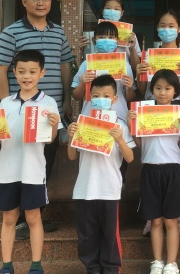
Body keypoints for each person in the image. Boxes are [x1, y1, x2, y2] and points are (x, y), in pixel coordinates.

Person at [0, 49, 60, 274]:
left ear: (42, 73)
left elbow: (50, 139)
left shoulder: (48, 103)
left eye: (32, 71)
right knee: (9, 218)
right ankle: (6, 265)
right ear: (14, 73)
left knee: (33, 218)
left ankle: (36, 266)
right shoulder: (6, 103)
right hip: (7, 171)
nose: (27, 76)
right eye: (22, 71)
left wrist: (54, 125)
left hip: (33, 172)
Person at [0, 0, 73, 239]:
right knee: (17, 164)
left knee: (43, 165)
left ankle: (33, 215)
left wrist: (67, 99)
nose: (41, 3)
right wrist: (7, 106)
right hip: (19, 113)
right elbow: (0, 70)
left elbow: (65, 66)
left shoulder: (58, 32)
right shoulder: (11, 33)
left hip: (48, 113)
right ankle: (17, 220)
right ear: (24, 2)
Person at [67, 74, 136, 274]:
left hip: (109, 189)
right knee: (87, 234)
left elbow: (130, 158)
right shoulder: (83, 123)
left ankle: (111, 268)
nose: (100, 99)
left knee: (109, 233)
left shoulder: (120, 125)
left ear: (114, 99)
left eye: (106, 96)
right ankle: (92, 268)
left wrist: (120, 140)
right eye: (96, 96)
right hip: (85, 189)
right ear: (89, 97)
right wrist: (71, 137)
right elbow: (72, 156)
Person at [128, 69, 180, 274]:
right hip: (150, 169)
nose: (162, 92)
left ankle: (171, 263)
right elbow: (140, 145)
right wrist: (132, 124)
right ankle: (157, 261)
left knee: (171, 221)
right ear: (152, 90)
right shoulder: (143, 113)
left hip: (173, 170)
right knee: (155, 220)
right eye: (158, 88)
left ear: (175, 92)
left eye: (167, 88)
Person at [136, 9, 180, 115]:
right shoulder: (148, 56)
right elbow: (143, 91)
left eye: (171, 26)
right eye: (163, 26)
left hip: (177, 105)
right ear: (157, 28)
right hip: (152, 105)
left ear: (179, 29)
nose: (166, 30)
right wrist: (139, 75)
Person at [71, 21, 136, 118]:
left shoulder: (124, 65)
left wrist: (129, 88)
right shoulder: (87, 64)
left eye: (111, 37)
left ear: (117, 40)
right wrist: (82, 83)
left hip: (118, 116)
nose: (106, 40)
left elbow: (131, 98)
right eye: (101, 37)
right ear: (94, 40)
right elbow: (76, 96)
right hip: (90, 117)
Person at [78, 0, 142, 73]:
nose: (112, 11)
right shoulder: (92, 35)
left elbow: (136, 67)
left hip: (121, 75)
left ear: (122, 13)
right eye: (108, 8)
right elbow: (86, 62)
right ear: (103, 11)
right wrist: (82, 50)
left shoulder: (130, 36)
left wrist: (132, 48)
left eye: (116, 9)